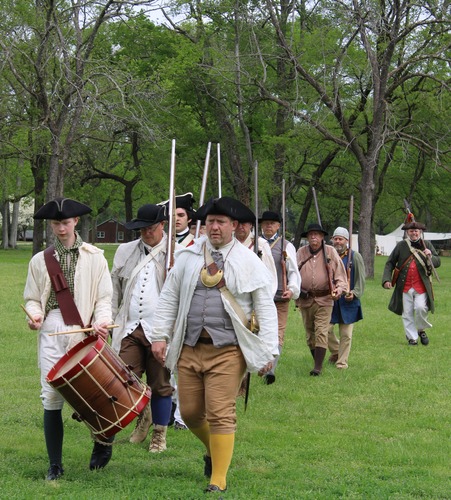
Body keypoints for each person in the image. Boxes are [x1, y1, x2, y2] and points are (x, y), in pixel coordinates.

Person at [151, 196, 278, 494]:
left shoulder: (249, 261)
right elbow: (169, 297)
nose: (215, 227)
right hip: (189, 345)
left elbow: (265, 306)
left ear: (234, 226)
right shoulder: (188, 256)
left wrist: (269, 350)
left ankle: (218, 479)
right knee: (191, 413)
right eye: (210, 222)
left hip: (228, 349)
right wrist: (159, 335)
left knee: (220, 412)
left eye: (221, 222)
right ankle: (214, 450)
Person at [23, 198, 113, 480]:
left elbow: (104, 298)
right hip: (52, 328)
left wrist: (101, 322)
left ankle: (102, 441)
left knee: (93, 392)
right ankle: (55, 464)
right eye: (56, 224)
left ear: (76, 222)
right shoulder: (40, 260)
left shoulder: (95, 257)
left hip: (84, 328)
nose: (61, 229)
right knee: (51, 395)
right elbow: (32, 298)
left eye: (65, 223)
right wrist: (35, 315)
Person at [111, 204, 174, 451]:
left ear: (162, 226)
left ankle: (159, 434)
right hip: (129, 327)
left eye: (151, 228)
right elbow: (114, 289)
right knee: (124, 380)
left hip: (161, 330)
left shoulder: (176, 253)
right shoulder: (125, 251)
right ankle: (144, 416)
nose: (147, 233)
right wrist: (110, 320)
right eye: (142, 229)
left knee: (160, 384)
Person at [159, 193, 197, 430]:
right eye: (173, 215)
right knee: (165, 363)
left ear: (189, 218)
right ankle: (169, 407)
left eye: (181, 215)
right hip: (163, 310)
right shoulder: (161, 244)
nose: (177, 219)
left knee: (183, 364)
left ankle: (183, 414)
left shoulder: (196, 246)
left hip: (186, 311)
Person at [296, 223, 347, 376]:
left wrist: (339, 289)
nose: (313, 237)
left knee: (321, 331)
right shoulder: (300, 252)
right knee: (310, 334)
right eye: (311, 234)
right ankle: (317, 361)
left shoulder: (330, 252)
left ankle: (317, 368)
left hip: (325, 299)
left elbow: (340, 275)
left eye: (317, 234)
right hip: (305, 299)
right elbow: (292, 274)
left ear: (322, 237)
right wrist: (297, 291)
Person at [382, 219, 440, 345]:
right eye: (411, 231)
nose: (414, 233)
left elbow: (437, 262)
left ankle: (421, 329)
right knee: (407, 312)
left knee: (421, 308)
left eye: (416, 231)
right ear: (407, 232)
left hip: (421, 285)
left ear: (420, 232)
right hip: (404, 285)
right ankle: (412, 338)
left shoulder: (427, 244)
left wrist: (430, 256)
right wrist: (386, 279)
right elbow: (390, 263)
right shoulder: (401, 245)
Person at [259, 211, 301, 384]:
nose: (268, 226)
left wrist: (291, 290)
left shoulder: (286, 246)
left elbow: (293, 271)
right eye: (266, 223)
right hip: (258, 297)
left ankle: (271, 369)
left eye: (272, 223)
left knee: (278, 333)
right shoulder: (255, 243)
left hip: (279, 297)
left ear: (278, 226)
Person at [327, 227, 365, 369]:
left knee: (346, 335)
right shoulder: (328, 255)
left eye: (340, 239)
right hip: (331, 301)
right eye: (335, 239)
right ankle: (336, 351)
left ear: (347, 241)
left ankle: (342, 363)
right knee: (325, 330)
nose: (338, 241)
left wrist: (354, 293)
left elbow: (360, 280)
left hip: (348, 302)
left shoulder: (355, 257)